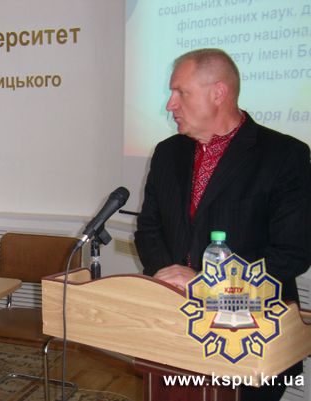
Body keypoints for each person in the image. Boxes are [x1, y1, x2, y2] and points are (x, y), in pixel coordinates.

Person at [135, 48, 311, 401]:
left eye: (180, 92)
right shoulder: (167, 152)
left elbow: (292, 253)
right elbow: (149, 228)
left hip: (251, 333)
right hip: (173, 326)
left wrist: (206, 284)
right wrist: (167, 278)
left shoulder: (284, 155)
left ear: (218, 93)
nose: (170, 104)